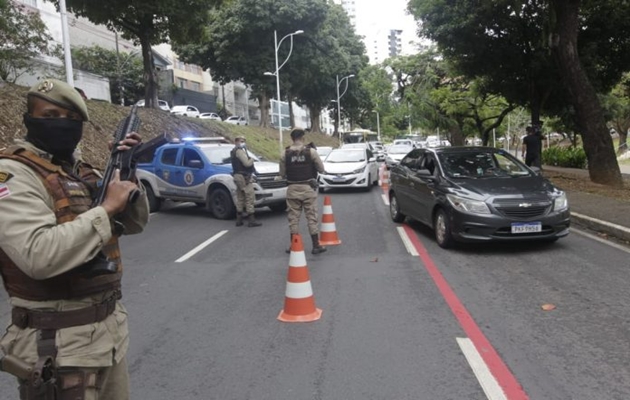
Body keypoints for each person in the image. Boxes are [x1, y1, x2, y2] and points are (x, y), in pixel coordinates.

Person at [0, 78, 149, 400]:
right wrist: (107, 207)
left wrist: (127, 173)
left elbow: (135, 224)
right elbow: (39, 256)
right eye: (50, 116)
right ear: (29, 119)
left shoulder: (81, 171)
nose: (61, 125)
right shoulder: (13, 174)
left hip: (106, 334)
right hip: (55, 344)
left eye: (71, 120)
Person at [279, 128, 326, 255]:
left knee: (293, 218)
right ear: (303, 137)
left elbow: (282, 174)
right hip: (308, 188)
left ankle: (294, 245)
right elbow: (321, 169)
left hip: (292, 189)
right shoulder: (311, 152)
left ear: (292, 138)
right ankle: (316, 246)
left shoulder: (285, 153)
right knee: (311, 217)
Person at [230, 136, 262, 227]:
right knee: (249, 197)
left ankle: (239, 219)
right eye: (241, 141)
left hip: (237, 176)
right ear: (236, 142)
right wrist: (252, 159)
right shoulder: (240, 151)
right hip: (244, 177)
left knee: (240, 197)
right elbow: (247, 164)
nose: (243, 142)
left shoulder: (233, 151)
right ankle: (251, 220)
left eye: (244, 141)